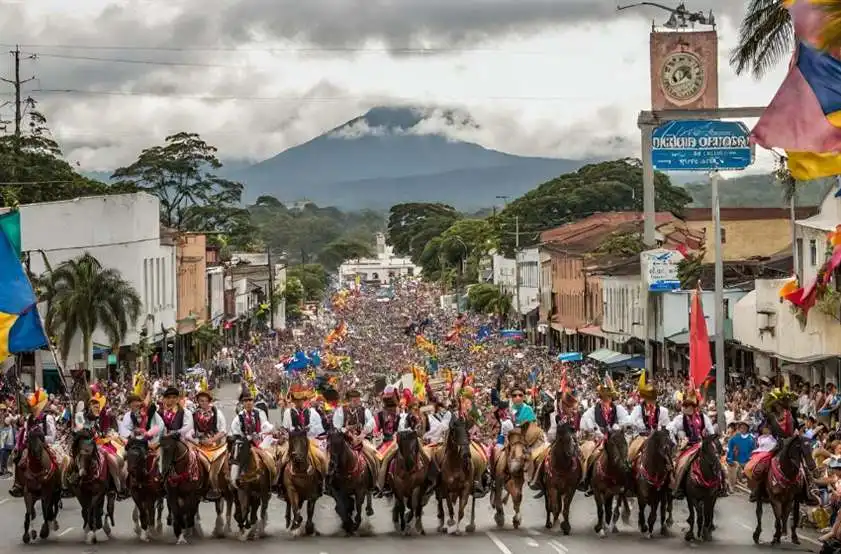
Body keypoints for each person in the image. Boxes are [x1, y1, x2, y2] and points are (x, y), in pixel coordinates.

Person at [667, 384, 718, 500]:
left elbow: (710, 431)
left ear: (694, 407)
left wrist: (709, 439)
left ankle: (720, 484)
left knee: (716, 459)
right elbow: (670, 430)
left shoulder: (703, 417)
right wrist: (677, 442)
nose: (686, 408)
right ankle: (678, 488)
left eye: (689, 406)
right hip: (688, 446)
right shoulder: (680, 418)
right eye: (685, 406)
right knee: (682, 464)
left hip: (702, 445)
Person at [579, 379, 630, 495]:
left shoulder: (618, 409)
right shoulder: (593, 410)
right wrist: (598, 432)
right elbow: (587, 420)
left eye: (608, 398)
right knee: (592, 456)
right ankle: (587, 481)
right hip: (600, 439)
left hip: (615, 438)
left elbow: (626, 419)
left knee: (625, 455)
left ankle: (627, 481)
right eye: (603, 398)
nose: (605, 400)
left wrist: (618, 426)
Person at [72, 392, 126, 498]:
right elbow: (79, 427)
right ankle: (72, 478)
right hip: (81, 441)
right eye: (94, 406)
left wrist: (106, 435)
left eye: (98, 407)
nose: (96, 408)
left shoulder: (97, 419)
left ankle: (116, 483)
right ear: (89, 405)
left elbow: (99, 434)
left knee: (111, 459)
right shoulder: (80, 415)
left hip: (96, 444)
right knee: (70, 458)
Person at [530, 389, 580, 495]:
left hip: (572, 440)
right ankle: (539, 481)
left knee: (582, 456)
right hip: (554, 440)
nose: (570, 408)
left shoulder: (575, 413)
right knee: (539, 456)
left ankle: (582, 479)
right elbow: (551, 433)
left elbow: (578, 428)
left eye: (571, 406)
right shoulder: (553, 413)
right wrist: (560, 430)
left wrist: (574, 436)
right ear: (562, 404)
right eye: (567, 406)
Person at [10, 389, 57, 498]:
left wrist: (40, 440)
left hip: (46, 445)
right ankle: (18, 484)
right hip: (30, 446)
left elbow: (52, 436)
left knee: (61, 460)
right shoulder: (28, 419)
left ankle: (61, 484)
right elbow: (26, 434)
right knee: (19, 457)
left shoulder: (48, 418)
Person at [191, 388, 228, 500]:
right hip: (200, 445)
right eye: (200, 401)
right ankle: (197, 487)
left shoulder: (217, 412)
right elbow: (192, 431)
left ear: (209, 401)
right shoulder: (194, 414)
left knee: (217, 469)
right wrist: (199, 440)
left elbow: (223, 430)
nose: (203, 403)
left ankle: (219, 486)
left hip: (216, 446)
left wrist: (212, 439)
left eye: (205, 400)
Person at [628, 376, 671, 462]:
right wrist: (639, 425)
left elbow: (667, 426)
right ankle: (629, 467)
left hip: (657, 438)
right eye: (648, 399)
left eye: (652, 399)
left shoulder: (662, 411)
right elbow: (631, 421)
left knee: (668, 455)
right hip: (642, 437)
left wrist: (660, 429)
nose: (650, 401)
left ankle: (671, 471)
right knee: (632, 453)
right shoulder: (638, 409)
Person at [375, 387, 401, 496]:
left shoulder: (401, 412)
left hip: (398, 441)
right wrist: (376, 432)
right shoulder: (380, 414)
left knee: (385, 460)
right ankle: (378, 483)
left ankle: (381, 486)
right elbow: (376, 427)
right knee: (375, 458)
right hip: (386, 441)